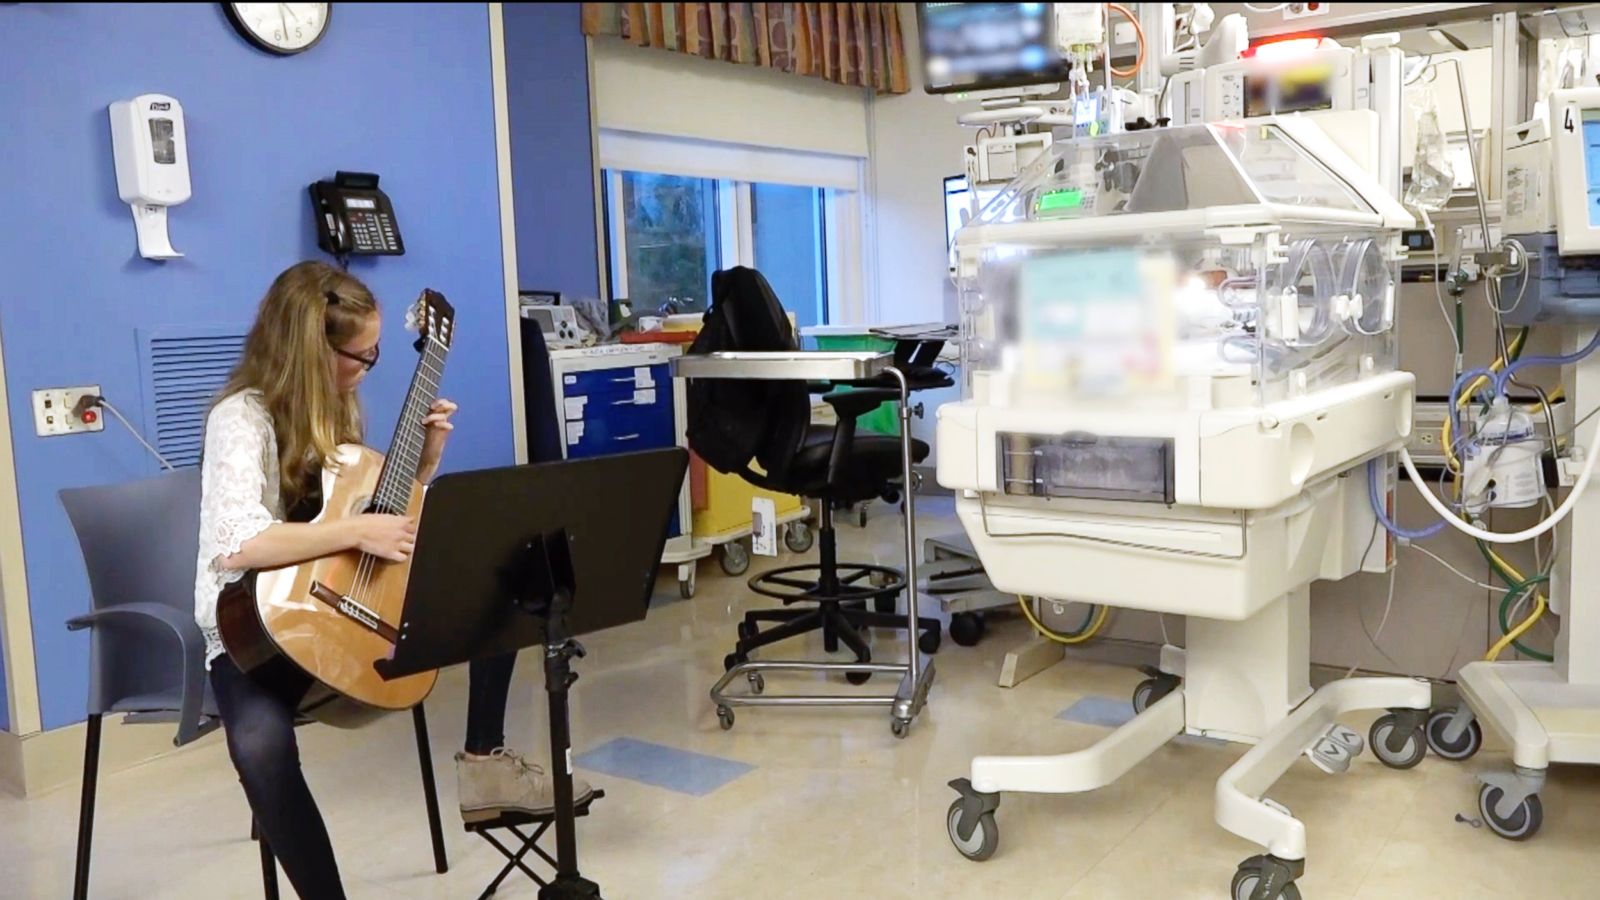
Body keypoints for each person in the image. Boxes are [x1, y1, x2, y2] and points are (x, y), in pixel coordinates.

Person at [193, 260, 590, 899]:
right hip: (252, 626)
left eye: (377, 350)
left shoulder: (336, 406)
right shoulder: (241, 419)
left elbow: (359, 511)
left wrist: (422, 470)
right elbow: (241, 546)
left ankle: (485, 760)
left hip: (338, 599)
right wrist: (354, 534)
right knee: (262, 748)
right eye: (361, 354)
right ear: (308, 349)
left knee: (504, 596)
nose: (368, 366)